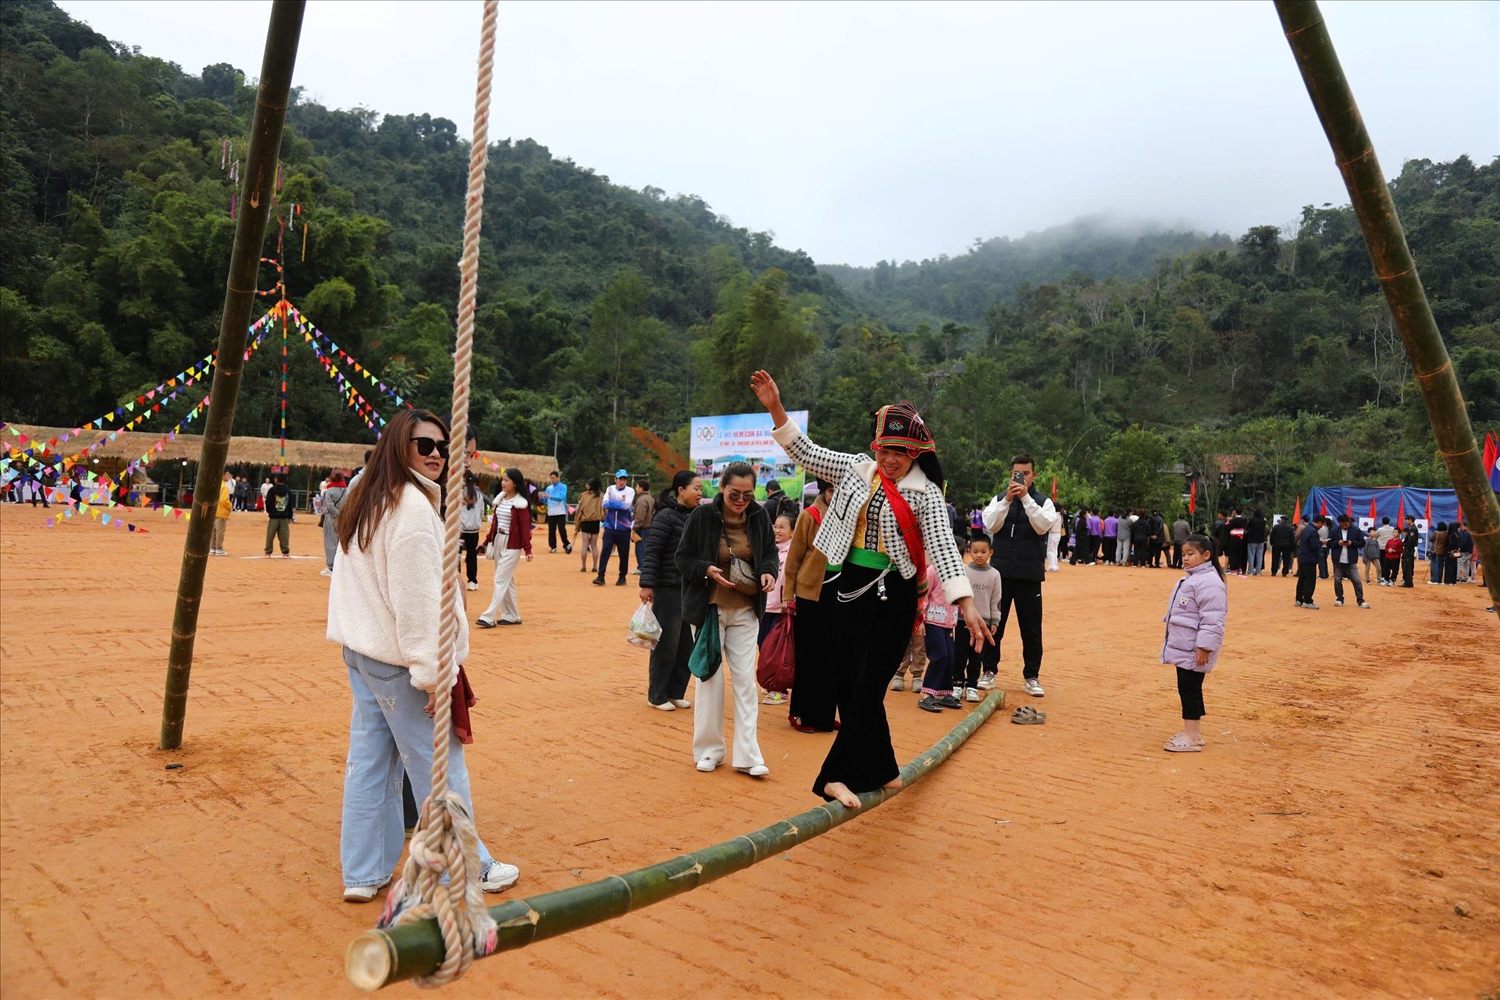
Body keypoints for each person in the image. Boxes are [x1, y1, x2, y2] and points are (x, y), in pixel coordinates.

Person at [754, 371, 990, 808]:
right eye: (884, 450)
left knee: (869, 686)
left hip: (894, 594)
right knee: (847, 682)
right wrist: (775, 407)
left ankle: (833, 776)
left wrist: (967, 604)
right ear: (875, 446)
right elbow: (805, 451)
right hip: (847, 588)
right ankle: (883, 769)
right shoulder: (855, 470)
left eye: (900, 452)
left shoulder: (926, 494)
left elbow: (942, 546)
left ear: (916, 453)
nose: (890, 459)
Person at [327, 407, 518, 902]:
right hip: (399, 660)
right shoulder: (410, 509)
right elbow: (416, 602)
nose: (437, 454)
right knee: (439, 767)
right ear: (401, 447)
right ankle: (467, 868)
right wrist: (434, 674)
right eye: (425, 445)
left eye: (442, 446)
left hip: (363, 651)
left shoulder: (369, 498)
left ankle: (363, 872)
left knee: (370, 764)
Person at [674, 461, 778, 777]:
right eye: (734, 494)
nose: (741, 500)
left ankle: (748, 756)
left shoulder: (759, 516)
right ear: (721, 488)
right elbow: (683, 557)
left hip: (746, 610)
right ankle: (709, 750)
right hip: (709, 610)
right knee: (710, 680)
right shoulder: (703, 516)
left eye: (748, 494)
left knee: (745, 681)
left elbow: (770, 553)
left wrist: (768, 572)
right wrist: (705, 569)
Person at [983, 454, 1059, 698]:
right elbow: (991, 525)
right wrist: (1007, 499)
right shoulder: (999, 499)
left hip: (1029, 576)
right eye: (1017, 473)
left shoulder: (1044, 502)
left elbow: (1042, 526)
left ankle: (1031, 676)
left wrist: (1025, 498)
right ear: (1011, 474)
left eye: (1026, 473)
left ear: (1034, 475)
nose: (1022, 478)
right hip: (1000, 575)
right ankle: (988, 671)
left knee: (1031, 629)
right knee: (994, 625)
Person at [638, 471, 700, 712]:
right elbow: (652, 551)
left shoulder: (695, 516)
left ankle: (675, 693)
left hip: (689, 590)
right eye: (695, 488)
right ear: (681, 490)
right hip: (668, 589)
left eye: (700, 489)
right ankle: (657, 695)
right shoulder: (665, 516)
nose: (699, 492)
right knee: (666, 645)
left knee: (686, 646)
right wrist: (647, 584)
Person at [1160, 533, 1227, 753]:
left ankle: (1190, 736)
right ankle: (1194, 734)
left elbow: (1213, 619)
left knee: (1189, 689)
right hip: (1186, 645)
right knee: (1189, 688)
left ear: (1206, 555)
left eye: (1190, 554)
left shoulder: (1209, 583)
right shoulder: (1194, 578)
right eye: (1183, 554)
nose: (1185, 558)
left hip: (1194, 648)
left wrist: (1205, 647)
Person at [788, 480, 841, 730]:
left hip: (839, 593)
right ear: (823, 491)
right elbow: (794, 557)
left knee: (832, 655)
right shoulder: (809, 516)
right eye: (831, 490)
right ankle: (800, 713)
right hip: (809, 593)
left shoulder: (850, 519)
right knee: (808, 655)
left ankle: (824, 716)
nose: (836, 495)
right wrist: (788, 596)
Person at [477, 468, 534, 627]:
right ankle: (511, 615)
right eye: (502, 479)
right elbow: (494, 525)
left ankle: (489, 616)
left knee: (500, 579)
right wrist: (485, 543)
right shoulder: (500, 500)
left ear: (515, 483)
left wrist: (528, 549)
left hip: (512, 544)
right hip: (498, 540)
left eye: (507, 480)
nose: (503, 483)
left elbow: (525, 529)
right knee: (507, 581)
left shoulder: (521, 504)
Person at [759, 512, 796, 706]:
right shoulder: (769, 551)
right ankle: (770, 682)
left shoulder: (793, 553)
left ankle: (779, 690)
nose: (777, 530)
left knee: (777, 651)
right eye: (775, 526)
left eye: (782, 527)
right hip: (764, 608)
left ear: (793, 531)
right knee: (762, 646)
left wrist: (788, 600)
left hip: (781, 610)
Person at [958, 533, 1002, 696]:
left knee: (977, 656)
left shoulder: (995, 575)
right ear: (969, 551)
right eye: (975, 551)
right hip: (962, 620)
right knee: (959, 654)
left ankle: (972, 685)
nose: (979, 555)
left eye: (983, 552)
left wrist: (995, 621)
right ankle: (957, 684)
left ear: (991, 552)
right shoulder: (963, 571)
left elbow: (996, 600)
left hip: (983, 623)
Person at [916, 563, 962, 712]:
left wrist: (965, 614)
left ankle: (943, 691)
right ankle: (926, 692)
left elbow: (960, 596)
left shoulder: (957, 572)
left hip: (949, 622)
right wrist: (920, 619)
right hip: (932, 621)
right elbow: (923, 595)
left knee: (949, 657)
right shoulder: (932, 571)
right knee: (939, 655)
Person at [595, 470, 635, 586]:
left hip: (624, 528)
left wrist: (612, 503)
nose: (622, 482)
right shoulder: (610, 489)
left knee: (623, 554)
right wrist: (619, 504)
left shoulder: (630, 491)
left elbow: (626, 506)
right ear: (615, 479)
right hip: (610, 527)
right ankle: (600, 576)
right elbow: (604, 504)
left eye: (624, 479)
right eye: (620, 479)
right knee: (605, 551)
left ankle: (622, 577)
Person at [1327, 514, 1371, 608]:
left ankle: (1360, 600)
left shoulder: (1356, 530)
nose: (1344, 526)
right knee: (1337, 580)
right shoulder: (1334, 530)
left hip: (1351, 560)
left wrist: (1352, 543)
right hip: (1337, 560)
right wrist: (1337, 543)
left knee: (1356, 580)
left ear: (1349, 522)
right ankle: (1339, 598)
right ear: (1339, 523)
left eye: (1346, 524)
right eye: (1342, 524)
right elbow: (1329, 543)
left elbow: (1362, 543)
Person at [458, 471, 484, 591]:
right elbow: (482, 512)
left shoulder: (459, 494)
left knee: (457, 556)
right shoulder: (479, 496)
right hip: (473, 530)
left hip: (459, 529)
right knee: (472, 555)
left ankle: (457, 581)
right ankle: (472, 581)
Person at [321, 470, 349, 577]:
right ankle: (341, 565)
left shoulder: (330, 490)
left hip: (331, 518)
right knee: (341, 542)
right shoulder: (346, 490)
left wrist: (336, 514)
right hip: (344, 518)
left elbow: (329, 505)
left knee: (330, 541)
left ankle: (331, 566)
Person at [575, 478, 603, 574]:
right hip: (596, 522)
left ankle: (583, 566)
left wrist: (577, 526)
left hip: (585, 522)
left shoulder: (584, 496)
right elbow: (605, 510)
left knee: (585, 544)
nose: (586, 485)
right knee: (594, 545)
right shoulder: (601, 496)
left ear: (590, 486)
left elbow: (579, 512)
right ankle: (595, 566)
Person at [1295, 515, 1324, 609]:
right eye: (1322, 525)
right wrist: (1321, 543)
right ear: (1319, 522)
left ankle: (1299, 599)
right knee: (1309, 580)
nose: (1322, 527)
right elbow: (1314, 546)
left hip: (1302, 557)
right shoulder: (1313, 532)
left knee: (1302, 579)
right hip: (1309, 559)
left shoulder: (1306, 529)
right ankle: (1307, 601)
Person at [539, 472, 571, 555]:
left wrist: (551, 497)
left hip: (560, 511)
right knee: (551, 530)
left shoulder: (563, 486)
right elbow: (545, 500)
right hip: (551, 512)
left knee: (562, 529)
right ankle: (553, 546)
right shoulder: (548, 488)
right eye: (551, 478)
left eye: (553, 478)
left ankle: (566, 544)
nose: (552, 480)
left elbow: (561, 497)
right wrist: (541, 498)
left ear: (558, 478)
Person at [263, 473, 293, 557]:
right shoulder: (288, 491)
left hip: (274, 516)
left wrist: (269, 511)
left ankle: (268, 552)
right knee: (284, 535)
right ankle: (285, 552)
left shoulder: (272, 490)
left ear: (276, 480)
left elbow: (268, 502)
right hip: (284, 516)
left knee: (270, 534)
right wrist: (290, 516)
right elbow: (290, 504)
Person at [630, 479, 655, 576]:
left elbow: (640, 517)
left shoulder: (641, 500)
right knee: (647, 548)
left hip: (643, 529)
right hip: (651, 527)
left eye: (637, 487)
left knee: (641, 549)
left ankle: (642, 568)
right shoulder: (651, 499)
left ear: (641, 488)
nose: (636, 489)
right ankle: (645, 567)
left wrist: (634, 528)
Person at [211, 470, 234, 556]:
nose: (228, 477)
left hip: (214, 511)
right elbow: (224, 500)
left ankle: (213, 548)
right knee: (220, 531)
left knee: (214, 531)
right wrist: (230, 506)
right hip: (221, 511)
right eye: (227, 475)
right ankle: (219, 549)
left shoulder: (216, 485)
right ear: (223, 476)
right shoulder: (224, 487)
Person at [1225, 508, 1247, 575]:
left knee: (1233, 553)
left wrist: (1228, 522)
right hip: (1241, 537)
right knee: (1239, 553)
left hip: (1234, 537)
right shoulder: (1244, 519)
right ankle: (1239, 569)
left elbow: (1228, 528)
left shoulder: (1234, 520)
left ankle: (1233, 569)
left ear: (1235, 512)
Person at [1245, 509, 1267, 576]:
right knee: (1260, 556)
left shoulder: (1252, 520)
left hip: (1252, 540)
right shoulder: (1263, 521)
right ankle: (1258, 571)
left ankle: (1251, 571)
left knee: (1251, 556)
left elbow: (1247, 528)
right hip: (1261, 541)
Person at [1400, 516, 1419, 588]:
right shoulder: (1411, 528)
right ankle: (1407, 581)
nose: (1406, 521)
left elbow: (1411, 540)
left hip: (1408, 550)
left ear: (1410, 520)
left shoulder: (1412, 529)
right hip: (1409, 549)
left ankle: (1408, 582)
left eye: (1407, 520)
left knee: (1407, 566)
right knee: (1406, 565)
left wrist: (1407, 548)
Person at [1046, 503, 1064, 571]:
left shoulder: (1054, 515)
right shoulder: (1060, 515)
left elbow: (1050, 524)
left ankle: (1052, 566)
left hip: (1053, 533)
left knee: (1050, 550)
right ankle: (1055, 565)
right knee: (1054, 550)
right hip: (1058, 533)